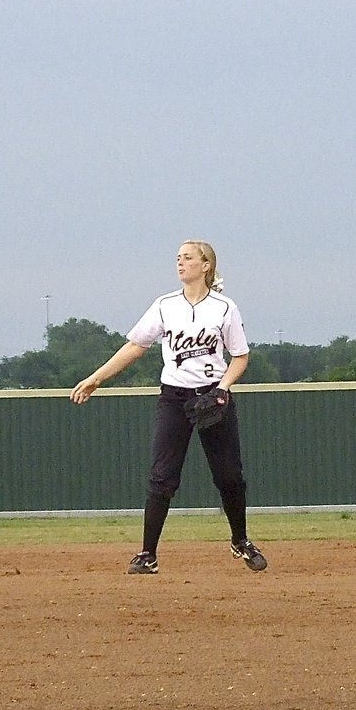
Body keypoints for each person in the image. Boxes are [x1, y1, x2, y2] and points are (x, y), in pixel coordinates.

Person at [71, 241, 267, 575]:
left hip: (212, 396)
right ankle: (148, 554)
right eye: (178, 257)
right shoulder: (165, 305)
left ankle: (240, 541)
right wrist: (96, 379)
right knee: (162, 477)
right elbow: (136, 346)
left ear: (206, 266)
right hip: (174, 398)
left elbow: (240, 355)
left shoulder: (223, 307)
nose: (180, 262)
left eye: (188, 257)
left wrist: (222, 388)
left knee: (230, 477)